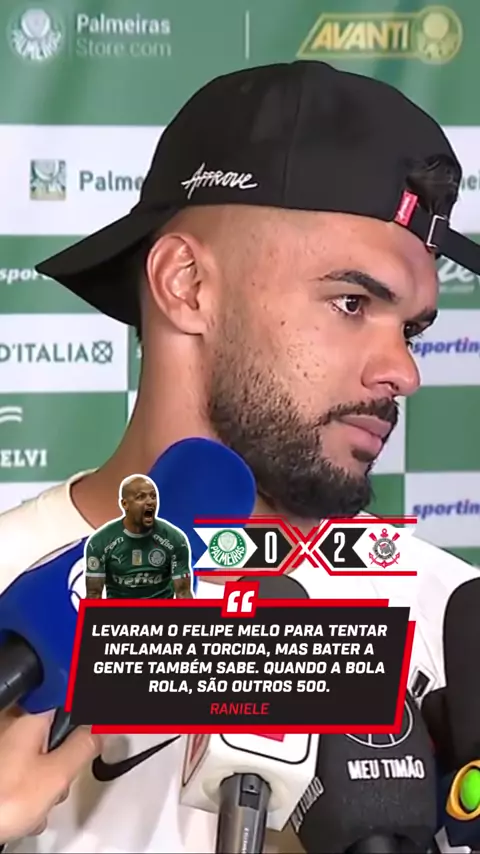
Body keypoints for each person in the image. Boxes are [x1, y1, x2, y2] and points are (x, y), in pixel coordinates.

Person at [0, 60, 479, 853]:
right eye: (352, 302)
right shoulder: (13, 605)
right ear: (186, 285)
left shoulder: (454, 629)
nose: (403, 371)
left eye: (411, 329)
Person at [85, 474, 193, 600]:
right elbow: (93, 595)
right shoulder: (100, 542)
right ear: (125, 504)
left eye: (153, 496)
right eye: (141, 497)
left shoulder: (174, 539)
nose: (150, 502)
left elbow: (183, 593)